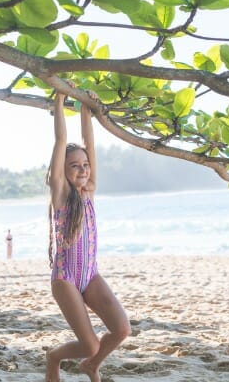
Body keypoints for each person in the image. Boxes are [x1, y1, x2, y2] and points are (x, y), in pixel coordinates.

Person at [45, 87, 130, 382]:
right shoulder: (60, 194)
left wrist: (85, 110)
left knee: (121, 329)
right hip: (66, 277)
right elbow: (59, 141)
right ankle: (54, 357)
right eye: (74, 166)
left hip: (90, 274)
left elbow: (89, 144)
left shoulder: (89, 192)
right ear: (62, 171)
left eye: (85, 165)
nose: (82, 169)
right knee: (89, 344)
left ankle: (91, 366)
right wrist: (59, 103)